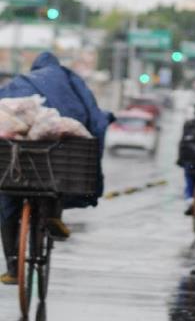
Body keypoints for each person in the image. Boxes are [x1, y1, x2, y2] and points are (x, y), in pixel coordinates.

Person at [0, 52, 113, 285]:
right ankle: (53, 215)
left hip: (16, 160)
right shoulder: (70, 80)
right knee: (55, 181)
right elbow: (92, 113)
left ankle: (13, 267)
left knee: (7, 201)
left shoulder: (21, 82)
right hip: (54, 155)